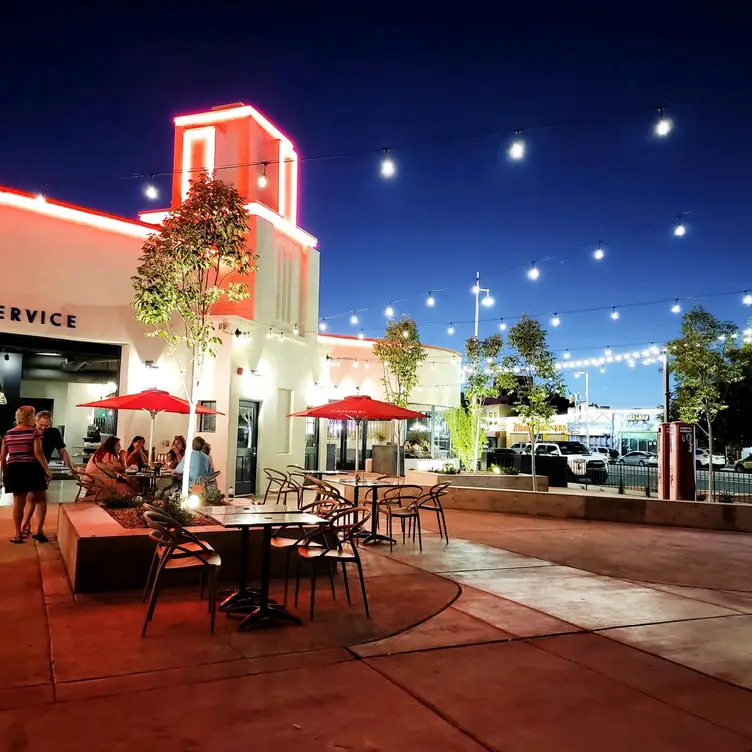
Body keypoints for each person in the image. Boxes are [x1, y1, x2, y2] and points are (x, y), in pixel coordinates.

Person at [0, 406, 51, 543]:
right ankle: (39, 530)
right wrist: (47, 470)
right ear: (30, 417)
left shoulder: (8, 434)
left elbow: (3, 456)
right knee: (40, 499)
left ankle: (17, 534)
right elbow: (38, 452)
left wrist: (4, 473)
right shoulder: (34, 433)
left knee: (18, 502)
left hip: (14, 468)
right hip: (31, 467)